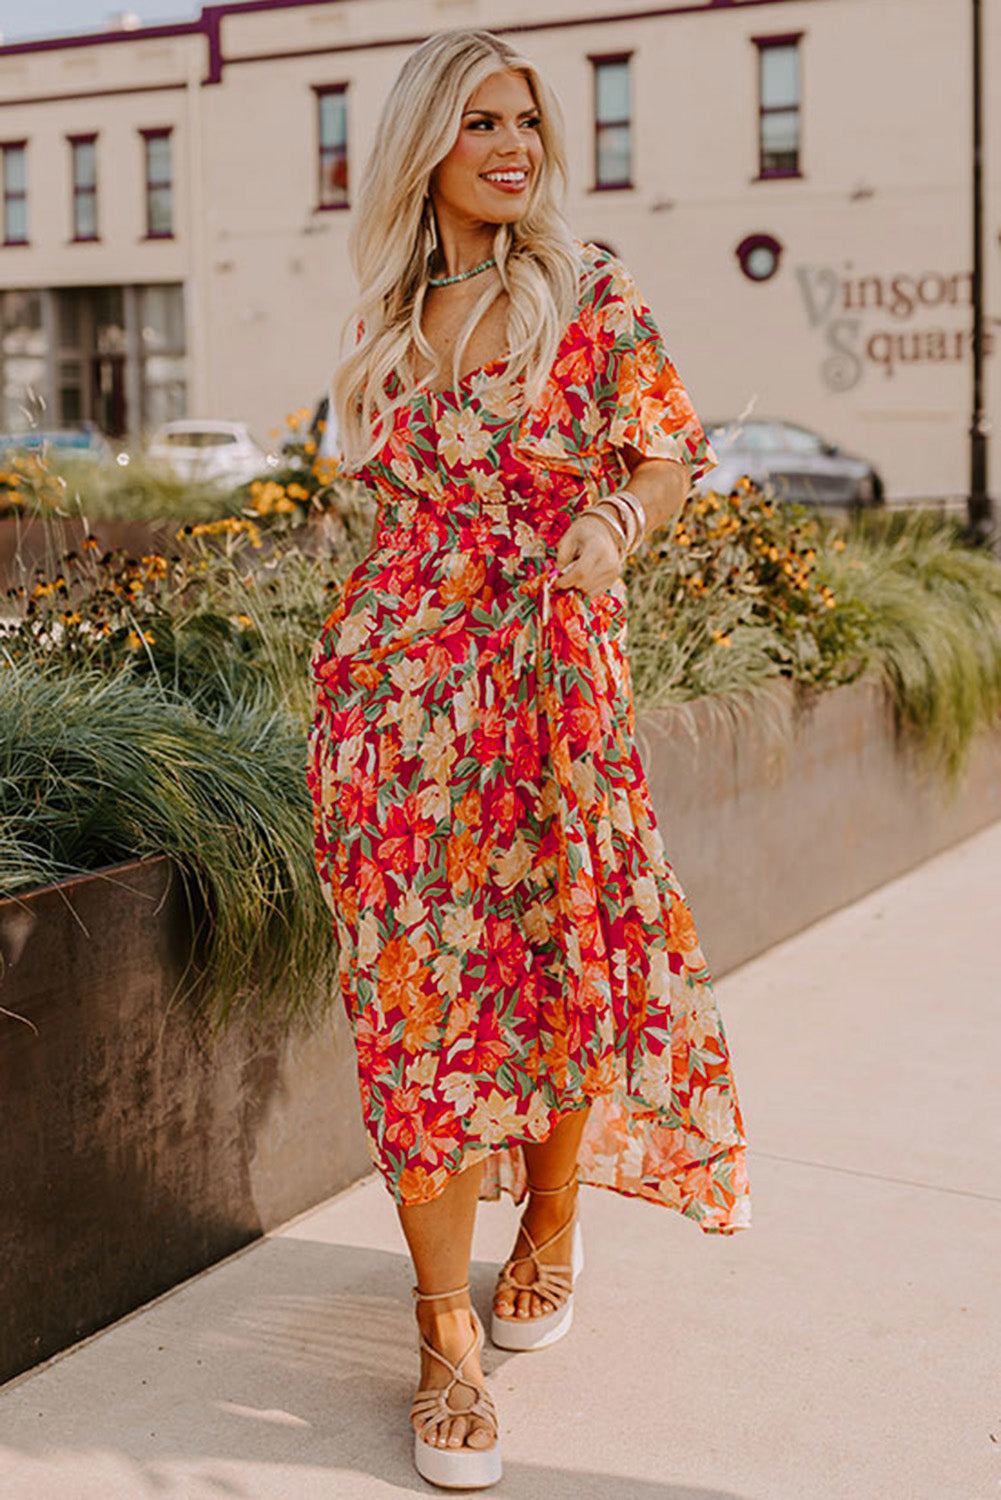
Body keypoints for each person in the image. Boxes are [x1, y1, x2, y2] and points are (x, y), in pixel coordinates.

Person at [306, 27, 750, 1490]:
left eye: (527, 122)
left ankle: (549, 1222)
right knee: (415, 1009)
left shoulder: (586, 295)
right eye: (482, 120)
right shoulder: (380, 323)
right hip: (397, 710)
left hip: (552, 690)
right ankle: (440, 1336)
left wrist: (610, 531)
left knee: (559, 966)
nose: (512, 145)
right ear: (425, 141)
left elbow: (666, 451)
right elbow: (381, 517)